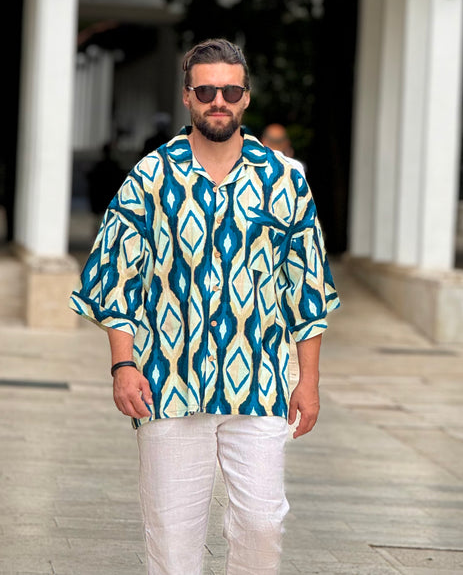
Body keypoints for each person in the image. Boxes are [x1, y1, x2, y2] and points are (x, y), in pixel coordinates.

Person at [69, 38, 339, 575]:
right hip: (167, 382)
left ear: (246, 97)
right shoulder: (150, 177)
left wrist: (308, 380)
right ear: (188, 95)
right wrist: (123, 365)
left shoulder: (286, 180)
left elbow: (307, 287)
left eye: (231, 91)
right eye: (207, 90)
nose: (219, 101)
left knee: (263, 524)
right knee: (172, 538)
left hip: (260, 384)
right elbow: (116, 277)